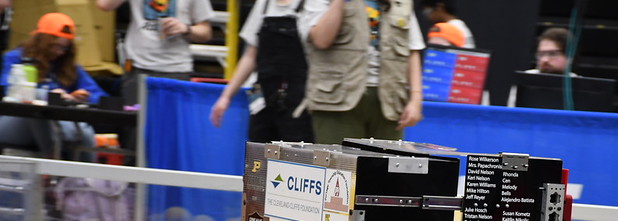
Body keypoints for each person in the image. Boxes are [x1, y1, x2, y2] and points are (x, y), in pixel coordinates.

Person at [299, 0, 424, 145]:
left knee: (385, 159)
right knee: (338, 159)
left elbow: (412, 50)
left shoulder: (401, 2)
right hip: (335, 99)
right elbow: (321, 40)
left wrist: (415, 99)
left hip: (390, 101)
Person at [0, 12, 107, 159]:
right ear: (42, 41)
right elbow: (10, 91)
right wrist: (49, 95)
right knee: (37, 102)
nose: (60, 52)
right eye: (56, 46)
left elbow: (99, 95)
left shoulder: (69, 66)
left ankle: (88, 172)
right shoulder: (15, 58)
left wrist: (78, 97)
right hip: (16, 122)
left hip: (58, 124)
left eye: (65, 48)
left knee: (84, 131)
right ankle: (51, 156)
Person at [210, 0, 313, 143]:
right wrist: (226, 96)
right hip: (262, 97)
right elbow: (250, 55)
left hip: (298, 99)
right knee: (257, 151)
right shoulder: (264, 4)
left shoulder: (311, 4)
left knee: (296, 151)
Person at [96, 0, 214, 106]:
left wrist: (186, 29)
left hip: (175, 68)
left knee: (170, 120)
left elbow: (206, 33)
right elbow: (104, 5)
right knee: (134, 120)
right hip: (135, 66)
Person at [507, 27, 577, 107]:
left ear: (570, 56)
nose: (545, 60)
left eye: (553, 54)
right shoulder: (525, 79)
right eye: (541, 54)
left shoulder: (578, 84)